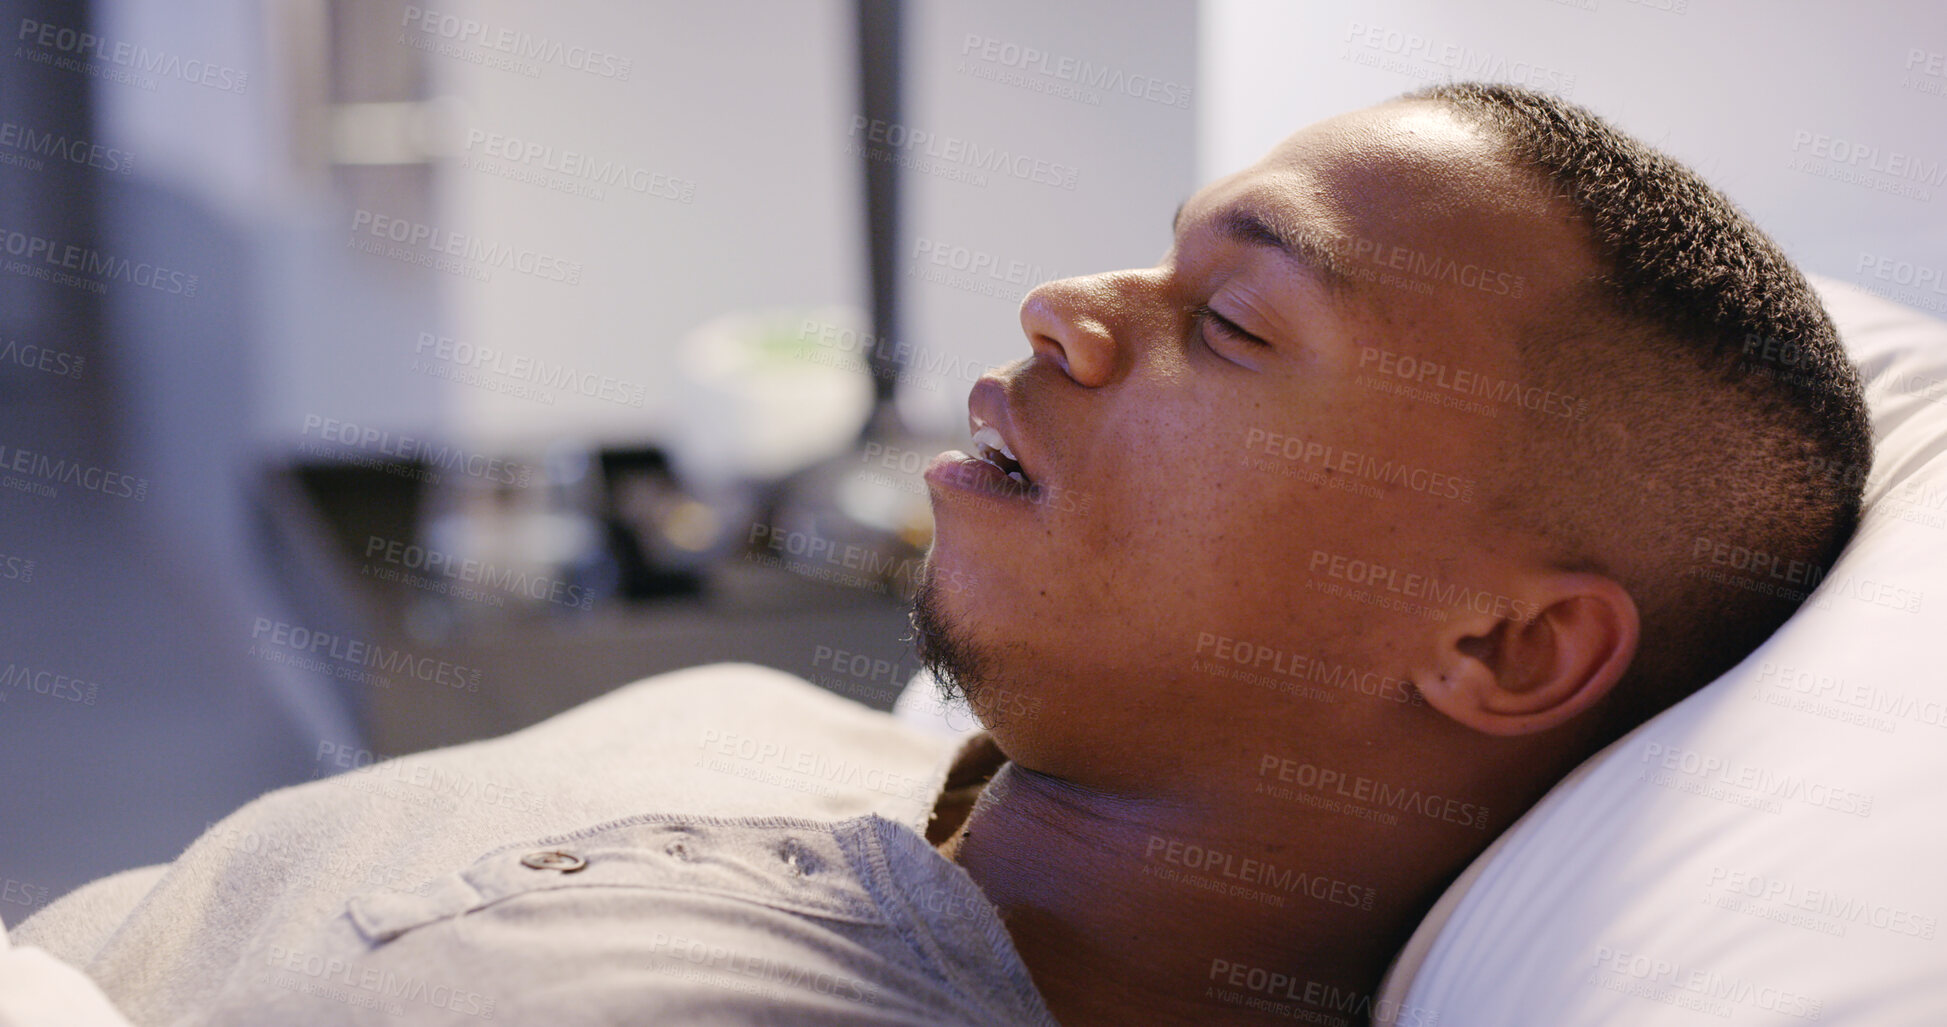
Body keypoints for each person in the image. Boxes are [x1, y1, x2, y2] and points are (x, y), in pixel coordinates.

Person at [5, 82, 1869, 1027]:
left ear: (1508, 649)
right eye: (1164, 256)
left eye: (1234, 326)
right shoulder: (818, 743)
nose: (1069, 303)